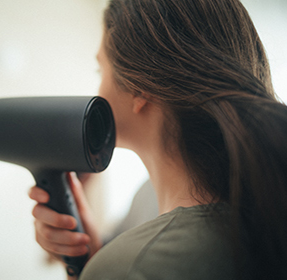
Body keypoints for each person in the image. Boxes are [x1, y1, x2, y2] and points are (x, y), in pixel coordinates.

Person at [29, 0, 287, 279]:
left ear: (139, 90)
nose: (98, 89)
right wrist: (93, 256)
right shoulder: (150, 197)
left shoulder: (131, 266)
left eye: (100, 70)